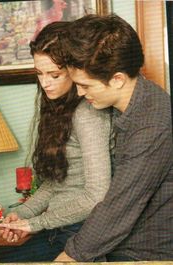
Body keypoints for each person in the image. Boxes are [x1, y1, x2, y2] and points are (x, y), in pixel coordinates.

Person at [54, 14, 173, 262]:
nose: (79, 92)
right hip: (122, 247)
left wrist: (67, 257)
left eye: (86, 85)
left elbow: (119, 207)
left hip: (146, 256)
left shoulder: (152, 123)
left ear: (117, 79)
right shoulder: (136, 104)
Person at [0, 21, 111, 262]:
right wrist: (21, 215)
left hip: (80, 233)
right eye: (39, 73)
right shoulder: (56, 110)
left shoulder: (88, 114)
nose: (45, 82)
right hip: (55, 230)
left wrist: (34, 223)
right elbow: (55, 184)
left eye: (54, 74)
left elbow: (98, 195)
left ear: (74, 70)